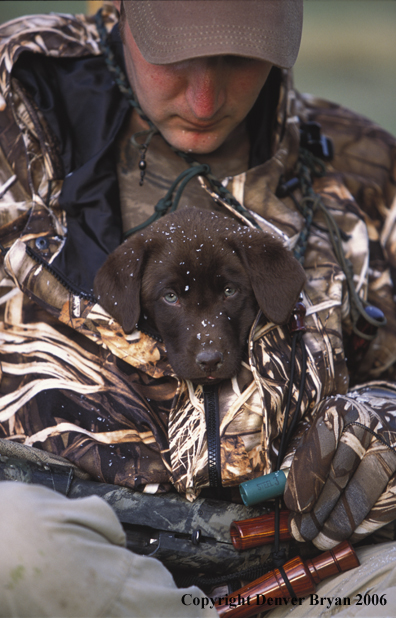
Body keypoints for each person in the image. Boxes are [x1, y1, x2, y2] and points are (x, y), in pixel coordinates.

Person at [0, 0, 395, 616]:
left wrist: (386, 417)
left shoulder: (363, 171)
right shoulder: (19, 105)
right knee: (13, 539)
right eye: (174, 56)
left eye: (239, 57)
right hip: (96, 566)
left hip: (310, 573)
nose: (205, 100)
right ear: (121, 11)